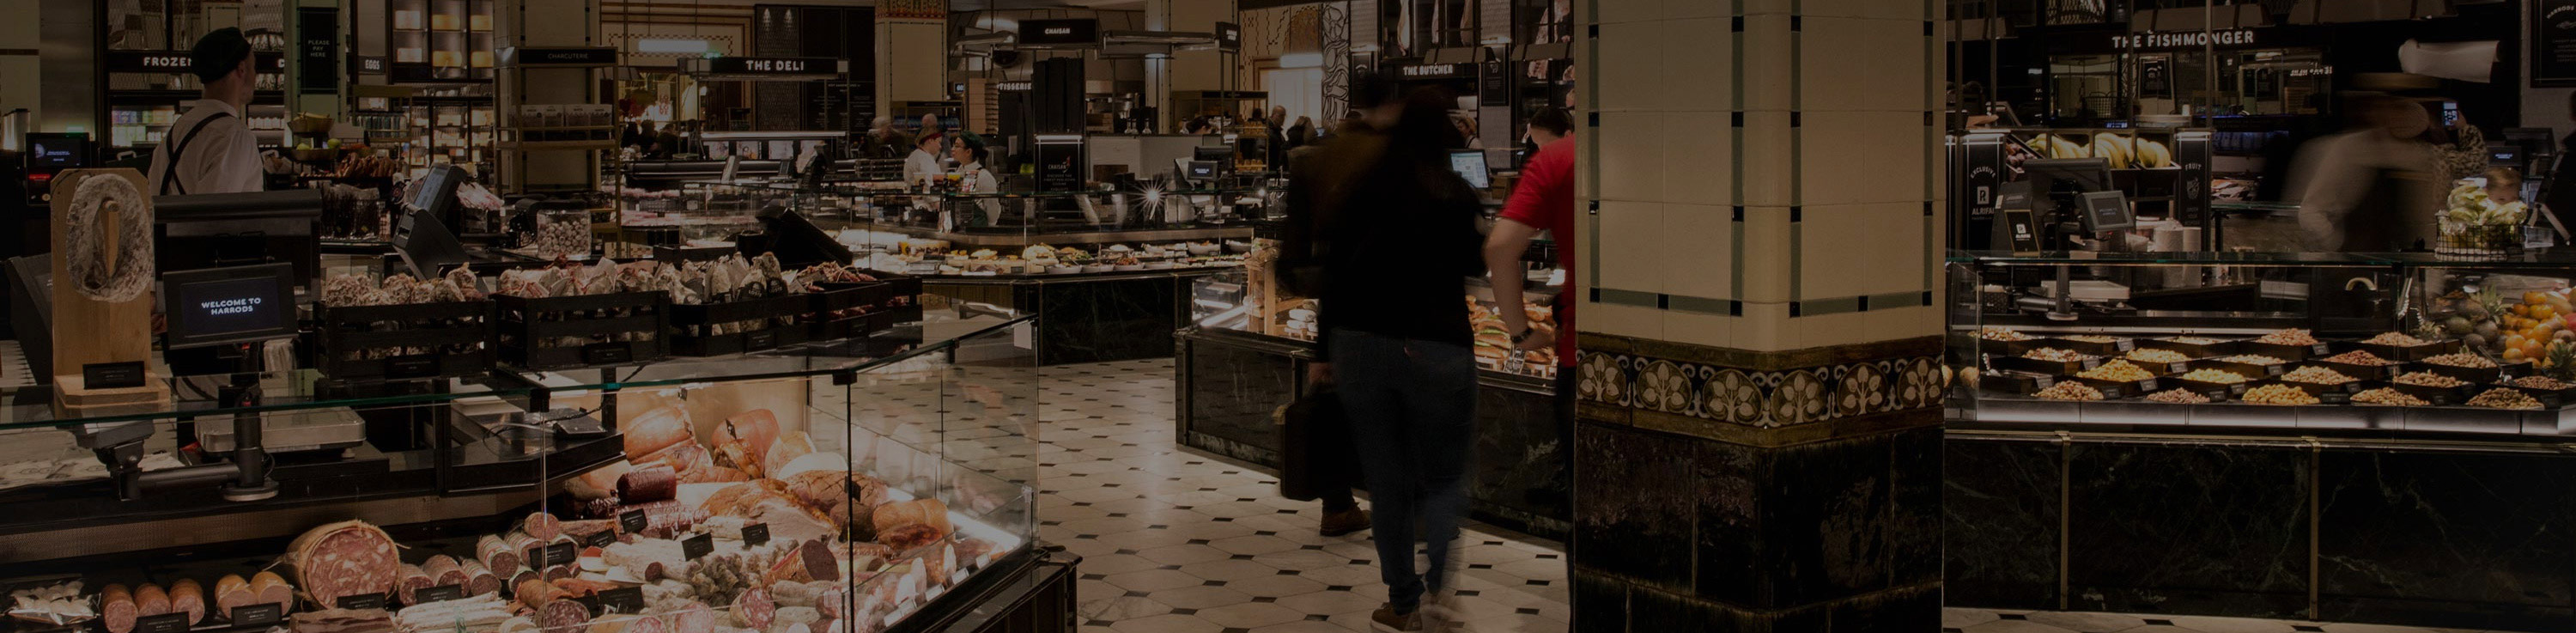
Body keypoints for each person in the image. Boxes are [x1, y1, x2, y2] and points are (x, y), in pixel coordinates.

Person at [1289, 84, 1485, 633]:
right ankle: (1441, 592)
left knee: (1387, 479)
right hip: (1440, 345)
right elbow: (1477, 263)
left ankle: (1403, 604)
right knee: (1445, 479)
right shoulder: (1455, 192)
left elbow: (1333, 271)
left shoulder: (1363, 187)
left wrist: (1323, 350)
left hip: (1362, 346)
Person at [1484, 107, 1577, 501]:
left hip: (1583, 352)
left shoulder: (1558, 159)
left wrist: (1522, 332)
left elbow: (1501, 247)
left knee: (1586, 500)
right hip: (1679, 361)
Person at [2292, 94, 2445, 253]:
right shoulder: (2348, 149)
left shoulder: (2419, 154)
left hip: (2409, 261)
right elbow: (2311, 211)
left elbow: (2429, 218)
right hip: (2354, 261)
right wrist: (2335, 249)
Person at [146, 27, 264, 196]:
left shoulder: (177, 131)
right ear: (242, 69)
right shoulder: (234, 135)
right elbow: (217, 216)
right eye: (254, 67)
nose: (255, 76)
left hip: (169, 223)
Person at [949, 135, 1002, 227]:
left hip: (978, 231)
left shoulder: (984, 176)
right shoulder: (957, 173)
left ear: (968, 151)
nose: (952, 149)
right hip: (958, 229)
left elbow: (992, 208)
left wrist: (989, 229)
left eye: (957, 146)